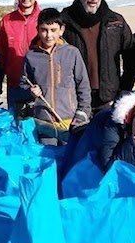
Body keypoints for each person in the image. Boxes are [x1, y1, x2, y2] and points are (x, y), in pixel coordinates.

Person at [61, 0, 135, 110]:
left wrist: (124, 90)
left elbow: (132, 58)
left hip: (108, 99)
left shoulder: (116, 21)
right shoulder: (64, 22)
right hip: (74, 99)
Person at [18, 8, 92, 143]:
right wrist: (30, 92)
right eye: (44, 30)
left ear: (61, 30)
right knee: (48, 159)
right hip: (44, 121)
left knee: (69, 160)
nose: (48, 35)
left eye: (53, 30)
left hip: (69, 121)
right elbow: (23, 83)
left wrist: (82, 113)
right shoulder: (31, 56)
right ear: (38, 29)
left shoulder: (72, 53)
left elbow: (83, 86)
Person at [0, 0, 41, 109]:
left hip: (39, 86)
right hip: (14, 85)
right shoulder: (7, 21)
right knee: (15, 126)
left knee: (40, 127)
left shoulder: (44, 19)